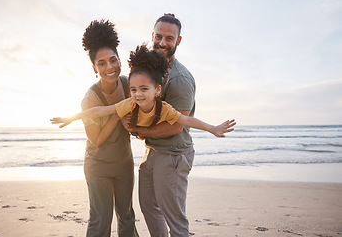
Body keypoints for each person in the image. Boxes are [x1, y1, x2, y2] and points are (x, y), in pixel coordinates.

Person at [51, 20, 138, 237]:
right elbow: (96, 139)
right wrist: (116, 113)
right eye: (101, 63)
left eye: (113, 60)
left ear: (119, 60)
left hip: (124, 163)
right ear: (94, 68)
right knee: (101, 219)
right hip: (98, 166)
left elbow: (136, 119)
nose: (109, 67)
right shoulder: (90, 99)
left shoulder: (128, 84)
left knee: (127, 216)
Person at [51, 45, 235, 139]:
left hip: (165, 144)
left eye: (144, 89)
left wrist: (212, 128)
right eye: (133, 89)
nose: (138, 94)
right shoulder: (130, 103)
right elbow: (99, 110)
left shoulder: (164, 109)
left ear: (157, 91)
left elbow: (186, 120)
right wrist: (72, 118)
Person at [126, 13, 202, 237]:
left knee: (175, 219)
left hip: (173, 155)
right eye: (158, 36)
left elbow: (176, 126)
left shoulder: (180, 79)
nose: (162, 42)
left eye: (169, 38)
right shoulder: (150, 70)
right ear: (152, 36)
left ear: (178, 41)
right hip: (153, 151)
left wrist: (139, 131)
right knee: (149, 207)